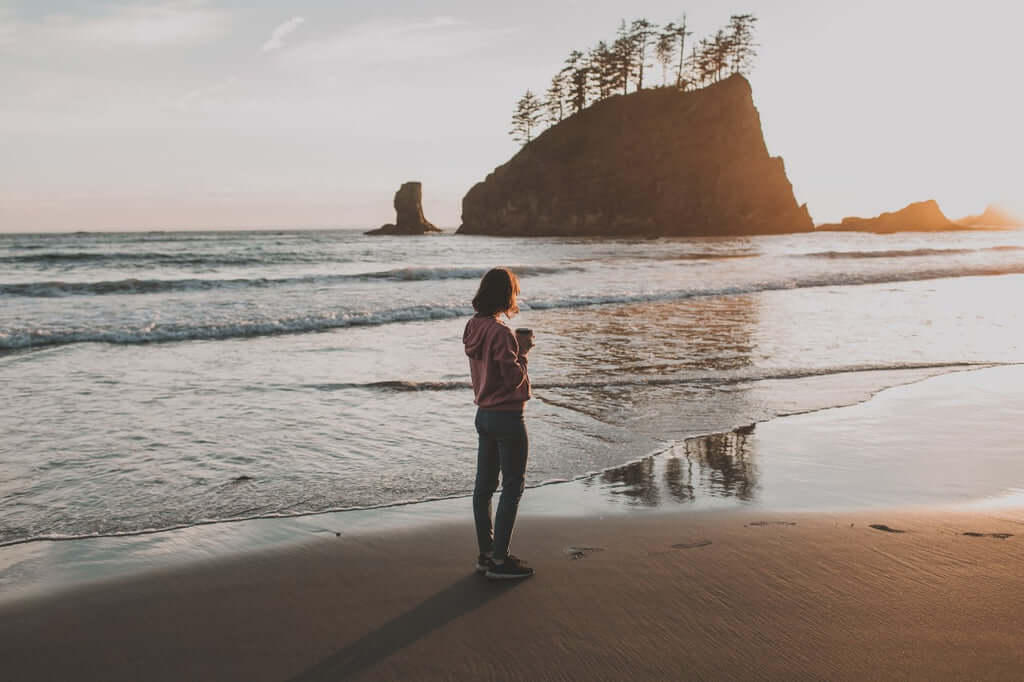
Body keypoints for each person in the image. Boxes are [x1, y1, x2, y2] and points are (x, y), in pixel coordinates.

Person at [463, 267, 535, 580]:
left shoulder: (472, 326)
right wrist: (524, 352)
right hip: (507, 415)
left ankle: (485, 553)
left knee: (484, 487)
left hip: (483, 415)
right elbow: (514, 381)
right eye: (514, 292)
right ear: (507, 295)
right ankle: (500, 558)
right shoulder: (501, 332)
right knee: (512, 486)